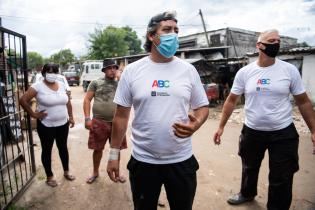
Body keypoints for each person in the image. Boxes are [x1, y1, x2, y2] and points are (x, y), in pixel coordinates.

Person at [106, 11, 209, 210]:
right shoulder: (132, 71)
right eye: (167, 30)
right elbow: (120, 116)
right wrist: (113, 155)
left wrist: (197, 123)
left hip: (181, 160)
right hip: (144, 162)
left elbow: (202, 106)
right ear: (151, 35)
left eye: (176, 31)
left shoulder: (188, 70)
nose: (174, 35)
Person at [213, 29, 315, 210]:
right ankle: (246, 193)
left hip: (283, 133)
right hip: (252, 131)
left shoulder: (289, 70)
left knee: (282, 176)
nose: (276, 43)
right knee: (249, 167)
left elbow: (304, 102)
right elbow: (231, 100)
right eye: (271, 40)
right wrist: (221, 126)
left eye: (278, 40)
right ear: (259, 45)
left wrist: (314, 130)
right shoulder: (245, 72)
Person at [19, 63, 76, 187]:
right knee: (47, 150)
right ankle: (49, 176)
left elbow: (68, 102)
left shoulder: (61, 85)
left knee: (63, 148)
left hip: (63, 123)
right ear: (43, 73)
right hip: (46, 125)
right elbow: (23, 100)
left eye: (55, 72)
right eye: (49, 72)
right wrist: (33, 114)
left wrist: (71, 117)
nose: (52, 74)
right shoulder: (37, 86)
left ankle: (66, 171)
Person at [83, 59, 127, 184]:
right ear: (104, 70)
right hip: (99, 121)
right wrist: (87, 118)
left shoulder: (121, 83)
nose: (112, 70)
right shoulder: (96, 82)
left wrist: (120, 78)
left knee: (116, 149)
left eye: (115, 68)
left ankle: (116, 172)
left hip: (117, 122)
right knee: (98, 149)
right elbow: (87, 100)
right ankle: (95, 172)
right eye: (109, 68)